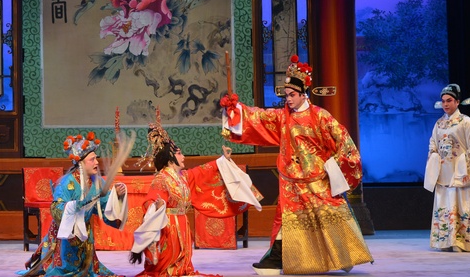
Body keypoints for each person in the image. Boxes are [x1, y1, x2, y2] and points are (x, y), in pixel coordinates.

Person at [220, 54, 374, 275]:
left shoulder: (320, 117)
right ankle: (275, 261)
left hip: (317, 182)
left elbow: (344, 142)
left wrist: (333, 167)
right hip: (291, 184)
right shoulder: (283, 118)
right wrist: (236, 110)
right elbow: (260, 118)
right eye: (286, 95)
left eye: (292, 95)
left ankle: (343, 256)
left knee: (330, 220)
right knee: (287, 223)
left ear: (303, 94)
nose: (289, 99)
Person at [128, 121, 262, 277]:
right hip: (169, 226)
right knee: (165, 267)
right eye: (179, 154)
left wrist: (222, 161)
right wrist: (156, 206)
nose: (183, 157)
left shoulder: (182, 177)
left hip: (182, 222)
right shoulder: (162, 178)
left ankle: (180, 267)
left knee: (182, 264)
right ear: (170, 158)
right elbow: (150, 200)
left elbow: (202, 172)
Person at [21, 131, 128, 277]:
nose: (97, 162)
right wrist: (77, 205)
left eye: (96, 159)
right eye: (92, 160)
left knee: (87, 270)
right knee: (65, 270)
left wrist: (117, 196)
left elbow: (105, 205)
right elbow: (56, 208)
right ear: (81, 163)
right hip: (67, 234)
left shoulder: (97, 182)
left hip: (85, 234)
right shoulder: (66, 183)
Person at [424, 84, 470, 252]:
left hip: (460, 171)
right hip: (443, 172)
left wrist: (465, 162)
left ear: (457, 102)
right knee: (444, 205)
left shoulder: (466, 122)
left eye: (449, 100)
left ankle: (462, 242)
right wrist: (434, 156)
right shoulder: (439, 124)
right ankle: (444, 241)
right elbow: (433, 143)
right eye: (443, 101)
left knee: (462, 204)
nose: (445, 104)